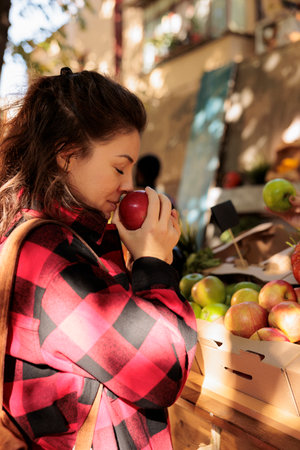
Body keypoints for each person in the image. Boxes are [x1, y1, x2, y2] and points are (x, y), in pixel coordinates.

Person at [0, 67, 197, 449]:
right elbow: (163, 374)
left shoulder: (79, 237)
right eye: (119, 167)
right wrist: (154, 263)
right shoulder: (49, 255)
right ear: (68, 156)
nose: (128, 184)